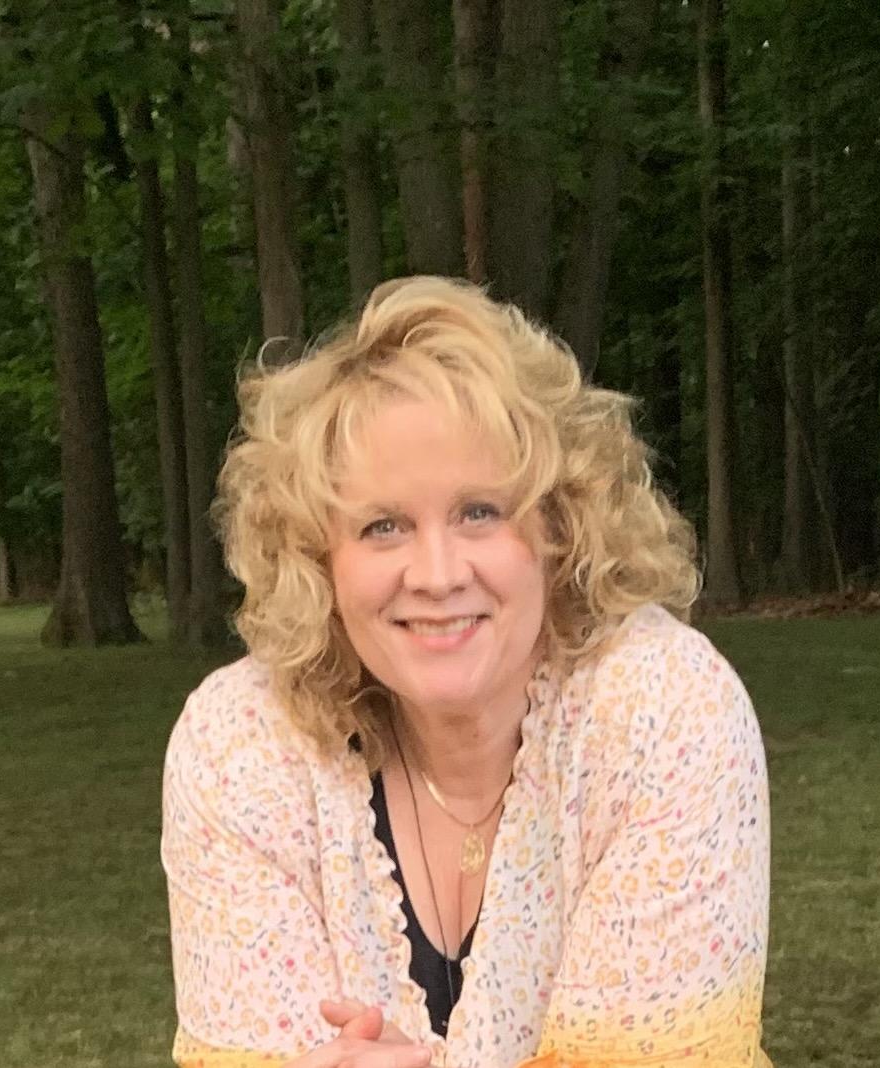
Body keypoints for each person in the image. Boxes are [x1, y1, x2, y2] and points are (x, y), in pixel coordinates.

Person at [161, 277, 771, 1068]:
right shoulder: (239, 745)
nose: (438, 573)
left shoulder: (661, 707)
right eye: (382, 526)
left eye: (479, 511)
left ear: (560, 524)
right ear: (317, 561)